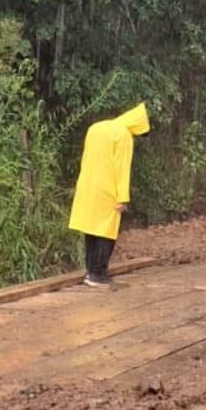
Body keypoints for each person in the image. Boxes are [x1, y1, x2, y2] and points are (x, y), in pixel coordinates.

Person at [68, 102, 151, 287]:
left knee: (91, 230)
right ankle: (99, 274)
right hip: (108, 189)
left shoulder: (96, 128)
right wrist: (122, 198)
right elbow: (121, 169)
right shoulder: (123, 136)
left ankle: (90, 272)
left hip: (88, 185)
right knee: (107, 232)